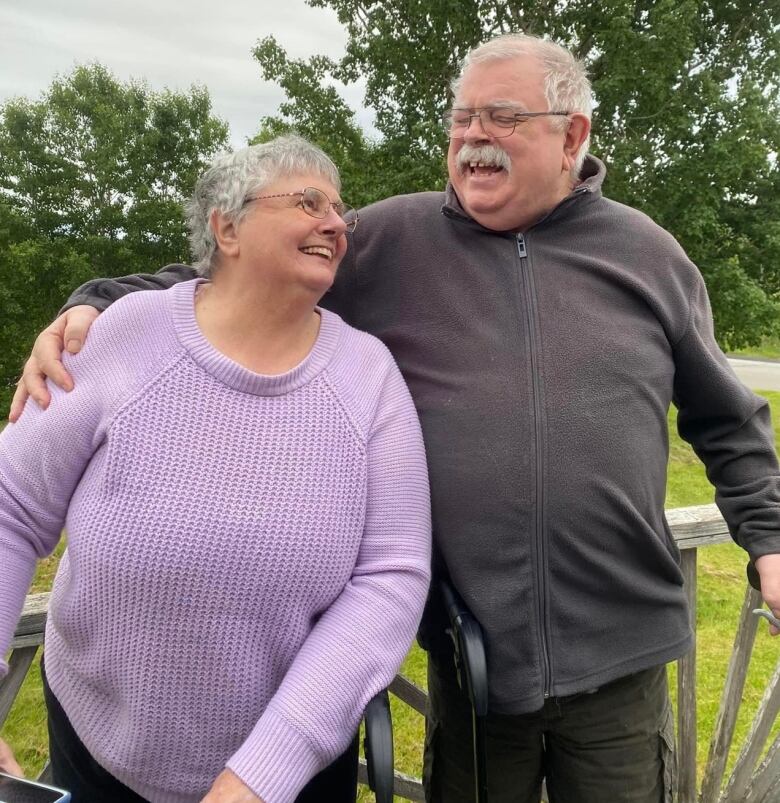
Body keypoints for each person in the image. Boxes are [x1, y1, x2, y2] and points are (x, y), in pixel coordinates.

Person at [9, 32, 780, 803]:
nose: (472, 135)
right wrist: (96, 302)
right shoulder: (394, 239)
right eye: (460, 118)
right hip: (477, 666)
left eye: (501, 116)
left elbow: (727, 422)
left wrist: (771, 546)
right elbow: (238, 278)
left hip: (622, 657)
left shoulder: (648, 256)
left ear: (572, 134)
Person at [0, 135, 431, 803]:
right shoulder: (120, 334)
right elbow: (11, 508)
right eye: (308, 201)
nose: (336, 223)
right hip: (96, 749)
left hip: (292, 773)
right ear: (226, 227)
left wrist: (265, 770)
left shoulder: (369, 375)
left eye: (340, 208)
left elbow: (391, 575)